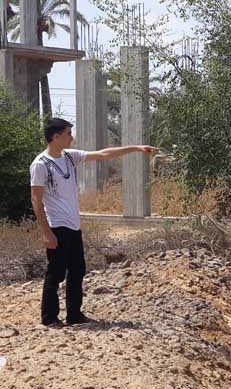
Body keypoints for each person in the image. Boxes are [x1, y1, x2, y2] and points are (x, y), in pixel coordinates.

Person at [30, 118, 159, 327]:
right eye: (68, 134)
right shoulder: (40, 164)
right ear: (56, 136)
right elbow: (36, 199)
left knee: (77, 270)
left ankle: (74, 315)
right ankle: (49, 317)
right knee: (56, 272)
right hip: (56, 225)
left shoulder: (69, 157)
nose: (72, 138)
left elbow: (103, 154)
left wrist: (136, 148)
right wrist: (47, 233)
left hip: (73, 225)